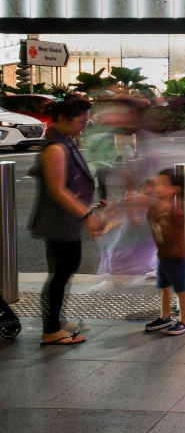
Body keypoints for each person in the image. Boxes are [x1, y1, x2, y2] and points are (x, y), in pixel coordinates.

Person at [31, 96, 102, 345]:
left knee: (64, 271)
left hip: (66, 220)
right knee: (61, 273)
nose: (85, 124)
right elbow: (58, 190)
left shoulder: (64, 140)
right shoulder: (55, 148)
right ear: (63, 119)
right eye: (81, 120)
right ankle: (51, 330)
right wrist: (87, 215)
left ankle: (56, 320)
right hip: (58, 222)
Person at [144, 169, 185, 335]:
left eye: (163, 184)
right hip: (162, 256)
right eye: (157, 183)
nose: (158, 187)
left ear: (175, 190)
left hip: (176, 257)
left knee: (180, 289)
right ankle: (165, 316)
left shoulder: (175, 210)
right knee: (164, 287)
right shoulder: (156, 207)